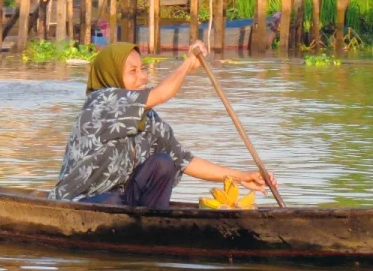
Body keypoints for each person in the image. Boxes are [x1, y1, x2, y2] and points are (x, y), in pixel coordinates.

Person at [50, 40, 273, 209]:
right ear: (112, 75)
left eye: (143, 69)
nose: (143, 77)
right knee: (112, 202)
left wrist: (242, 176)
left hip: (121, 202)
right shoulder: (102, 102)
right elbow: (163, 93)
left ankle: (153, 226)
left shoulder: (148, 119)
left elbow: (185, 160)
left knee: (164, 163)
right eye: (133, 71)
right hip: (79, 202)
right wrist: (187, 64)